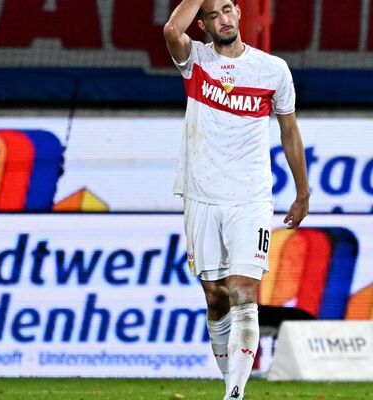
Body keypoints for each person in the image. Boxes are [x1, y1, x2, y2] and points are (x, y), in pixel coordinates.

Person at [163, 1, 309, 399]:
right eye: (213, 15)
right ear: (203, 23)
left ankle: (235, 393)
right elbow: (171, 31)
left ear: (240, 12)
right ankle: (231, 382)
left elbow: (290, 132)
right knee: (216, 296)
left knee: (244, 291)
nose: (223, 19)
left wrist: (302, 191)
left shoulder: (272, 69)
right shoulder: (195, 61)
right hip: (201, 194)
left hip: (251, 198)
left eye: (227, 10)